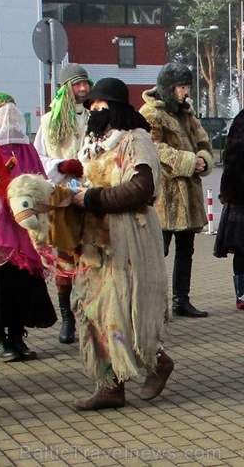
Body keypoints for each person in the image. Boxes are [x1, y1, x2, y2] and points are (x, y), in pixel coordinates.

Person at [72, 77, 174, 410]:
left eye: (102, 106)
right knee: (97, 309)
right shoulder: (90, 146)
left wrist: (92, 198)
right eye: (92, 107)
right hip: (96, 239)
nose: (96, 111)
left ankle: (156, 362)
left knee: (129, 309)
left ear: (117, 108)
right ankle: (110, 385)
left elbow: (141, 188)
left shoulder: (136, 140)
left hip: (129, 235)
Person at [0, 92, 57, 362]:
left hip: (25, 226)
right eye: (2, 112)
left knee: (24, 283)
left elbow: (41, 179)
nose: (9, 117)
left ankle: (16, 334)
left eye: (12, 111)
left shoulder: (27, 149)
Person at [139, 62, 213, 318]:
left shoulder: (186, 112)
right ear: (169, 88)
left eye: (188, 87)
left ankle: (181, 300)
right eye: (182, 87)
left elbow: (202, 139)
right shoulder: (150, 114)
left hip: (188, 193)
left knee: (186, 250)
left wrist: (203, 157)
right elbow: (154, 149)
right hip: (164, 195)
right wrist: (189, 161)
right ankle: (152, 303)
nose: (186, 93)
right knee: (158, 251)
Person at [33, 63, 90, 344]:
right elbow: (37, 159)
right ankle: (67, 319)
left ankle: (89, 315)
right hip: (61, 197)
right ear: (66, 88)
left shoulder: (93, 117)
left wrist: (87, 167)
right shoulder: (48, 122)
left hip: (90, 194)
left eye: (85, 83)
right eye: (77, 84)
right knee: (65, 257)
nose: (83, 89)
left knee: (91, 256)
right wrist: (61, 164)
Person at [214, 110, 244, 309]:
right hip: (241, 196)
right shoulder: (242, 121)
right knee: (242, 248)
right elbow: (232, 159)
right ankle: (242, 294)